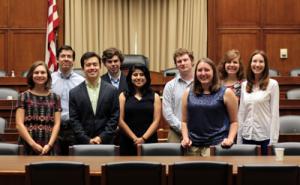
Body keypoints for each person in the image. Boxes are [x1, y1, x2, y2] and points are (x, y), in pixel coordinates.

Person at [181, 58, 238, 156]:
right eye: (199, 70)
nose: (203, 73)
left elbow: (234, 122)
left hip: (217, 147)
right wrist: (185, 138)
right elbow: (184, 121)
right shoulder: (188, 93)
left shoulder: (226, 93)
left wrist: (230, 139)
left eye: (207, 70)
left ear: (213, 72)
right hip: (192, 147)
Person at [69, 52, 119, 144]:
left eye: (95, 64)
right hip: (82, 143)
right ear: (83, 68)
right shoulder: (74, 93)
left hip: (106, 142)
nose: (92, 67)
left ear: (100, 67)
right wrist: (87, 140)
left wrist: (101, 138)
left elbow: (114, 117)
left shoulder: (112, 90)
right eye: (88, 65)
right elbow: (74, 120)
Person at [238, 50, 280, 155]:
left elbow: (275, 114)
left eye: (261, 62)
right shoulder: (244, 85)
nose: (257, 64)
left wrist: (273, 141)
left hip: (264, 137)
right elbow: (242, 113)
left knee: (264, 170)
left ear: (265, 65)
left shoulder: (273, 84)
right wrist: (239, 139)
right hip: (247, 136)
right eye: (254, 61)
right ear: (250, 64)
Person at [16, 61, 61, 155]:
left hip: (49, 144)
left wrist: (49, 145)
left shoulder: (55, 97)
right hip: (28, 143)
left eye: (43, 72)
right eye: (36, 72)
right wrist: (33, 145)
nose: (39, 75)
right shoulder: (23, 96)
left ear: (48, 76)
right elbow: (19, 124)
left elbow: (57, 124)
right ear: (31, 75)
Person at [118, 64, 161, 155]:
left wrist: (143, 139)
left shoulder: (155, 96)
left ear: (146, 77)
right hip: (128, 140)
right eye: (135, 75)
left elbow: (156, 121)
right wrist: (135, 138)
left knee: (150, 168)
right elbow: (120, 120)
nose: (138, 77)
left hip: (149, 140)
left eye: (142, 74)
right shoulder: (123, 96)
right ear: (130, 77)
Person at [51, 45, 85, 155]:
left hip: (74, 128)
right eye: (63, 56)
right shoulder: (49, 80)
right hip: (53, 128)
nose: (66, 58)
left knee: (74, 162)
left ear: (73, 60)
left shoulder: (82, 81)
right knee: (55, 162)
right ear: (57, 59)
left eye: (69, 56)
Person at [162, 48, 194, 143]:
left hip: (199, 132)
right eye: (179, 61)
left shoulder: (201, 83)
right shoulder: (170, 86)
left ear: (192, 61)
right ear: (176, 65)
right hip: (176, 133)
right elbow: (167, 113)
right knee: (173, 158)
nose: (182, 63)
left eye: (185, 60)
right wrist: (183, 129)